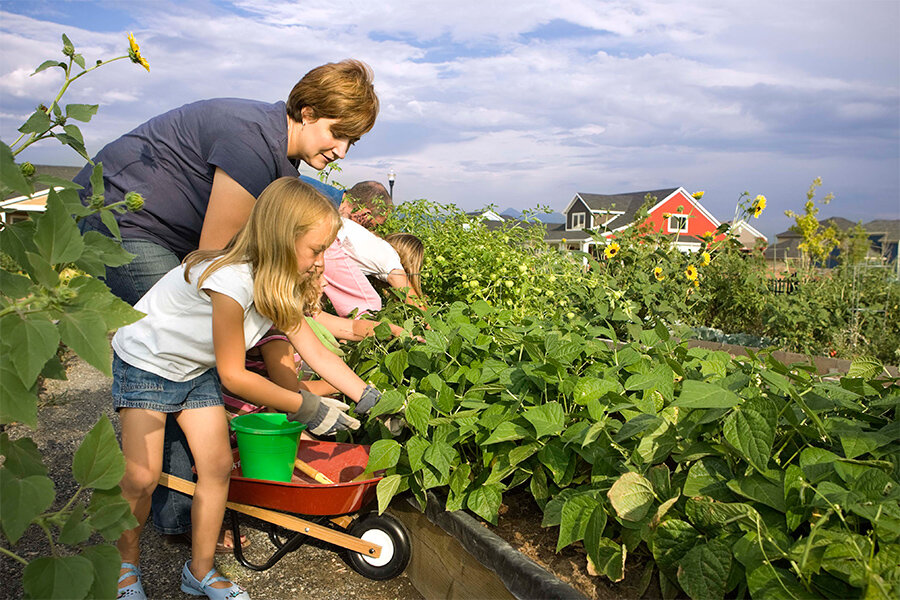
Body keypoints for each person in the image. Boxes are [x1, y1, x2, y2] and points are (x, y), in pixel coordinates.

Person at [74, 59, 379, 549]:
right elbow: (214, 262)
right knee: (180, 351)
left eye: (353, 142)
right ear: (305, 111)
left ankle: (191, 508)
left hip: (172, 240)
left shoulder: (282, 166)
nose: (341, 150)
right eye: (336, 133)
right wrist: (301, 400)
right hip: (118, 221)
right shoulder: (253, 144)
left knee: (201, 355)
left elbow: (275, 298)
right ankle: (174, 513)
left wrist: (364, 394)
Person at [112, 178, 386, 600]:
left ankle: (199, 572)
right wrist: (307, 407)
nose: (320, 262)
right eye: (315, 250)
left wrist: (370, 398)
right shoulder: (232, 281)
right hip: (148, 364)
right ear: (281, 239)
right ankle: (125, 572)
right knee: (142, 477)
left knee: (218, 468)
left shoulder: (279, 285)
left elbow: (316, 352)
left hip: (194, 371)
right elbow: (235, 376)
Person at [322, 181, 425, 316]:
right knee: (370, 306)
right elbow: (414, 302)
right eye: (375, 225)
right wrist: (434, 326)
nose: (372, 229)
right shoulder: (387, 255)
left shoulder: (360, 240)